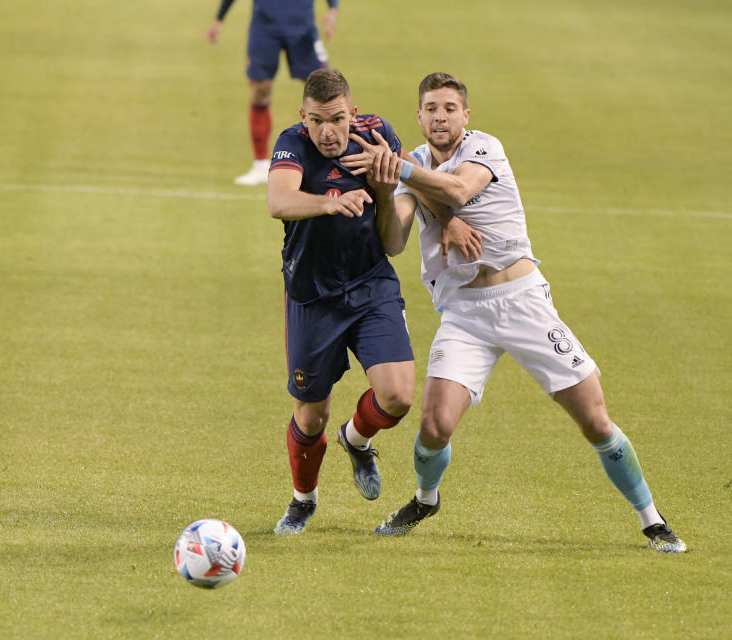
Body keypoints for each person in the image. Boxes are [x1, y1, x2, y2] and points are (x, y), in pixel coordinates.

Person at [341, 72, 687, 553]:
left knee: (594, 419)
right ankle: (425, 499)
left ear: (465, 116)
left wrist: (403, 174)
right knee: (434, 426)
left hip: (522, 301)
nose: (440, 116)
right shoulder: (412, 165)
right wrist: (386, 187)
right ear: (418, 116)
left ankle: (652, 519)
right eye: (430, 108)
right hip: (463, 312)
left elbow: (459, 191)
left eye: (449, 108)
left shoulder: (484, 149)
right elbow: (395, 241)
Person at [265, 68, 415, 535]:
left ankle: (356, 439)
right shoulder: (292, 144)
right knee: (311, 417)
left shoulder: (377, 136)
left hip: (372, 285)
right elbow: (278, 200)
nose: (327, 132)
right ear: (302, 118)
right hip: (313, 296)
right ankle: (302, 500)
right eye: (316, 121)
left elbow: (394, 243)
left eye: (336, 119)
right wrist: (329, 202)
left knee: (398, 397)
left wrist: (388, 192)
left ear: (353, 111)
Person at [207, 0, 338, 186]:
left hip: (301, 25)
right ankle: (260, 164)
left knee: (324, 88)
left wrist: (333, 8)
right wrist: (219, 19)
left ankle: (335, 160)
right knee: (260, 88)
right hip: (264, 27)